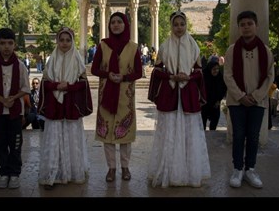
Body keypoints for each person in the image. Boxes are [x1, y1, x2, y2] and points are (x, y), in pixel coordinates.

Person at [147, 11, 210, 188]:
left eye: (182, 24)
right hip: (171, 94)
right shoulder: (164, 46)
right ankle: (170, 171)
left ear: (186, 25)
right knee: (170, 132)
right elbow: (157, 70)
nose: (179, 27)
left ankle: (189, 172)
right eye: (176, 24)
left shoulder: (194, 46)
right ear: (171, 26)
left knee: (188, 134)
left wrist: (188, 77)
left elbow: (199, 72)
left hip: (188, 94)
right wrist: (171, 76)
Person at [37, 27, 92, 190]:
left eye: (68, 40)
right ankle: (53, 173)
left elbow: (83, 84)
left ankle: (72, 173)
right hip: (55, 106)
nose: (65, 43)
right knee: (54, 138)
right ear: (57, 41)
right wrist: (56, 85)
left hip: (71, 104)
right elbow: (44, 83)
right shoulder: (51, 60)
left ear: (72, 41)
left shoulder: (77, 60)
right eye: (62, 40)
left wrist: (68, 86)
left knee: (71, 137)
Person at [224, 11, 274, 189]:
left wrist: (255, 96)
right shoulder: (231, 51)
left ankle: (250, 169)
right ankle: (237, 169)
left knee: (253, 137)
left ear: (256, 25)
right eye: (242, 24)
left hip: (257, 102)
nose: (246, 27)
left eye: (249, 23)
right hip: (236, 102)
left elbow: (269, 76)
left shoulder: (266, 51)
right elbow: (227, 76)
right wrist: (241, 96)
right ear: (238, 28)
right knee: (238, 136)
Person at [91, 12, 142, 182]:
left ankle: (125, 167)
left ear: (125, 24)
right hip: (106, 94)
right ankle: (111, 169)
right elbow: (94, 69)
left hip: (125, 97)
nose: (116, 25)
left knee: (124, 134)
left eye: (120, 21)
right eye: (113, 22)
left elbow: (139, 72)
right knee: (107, 133)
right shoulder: (103, 45)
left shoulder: (133, 47)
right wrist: (108, 74)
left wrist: (124, 77)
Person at [0, 28, 31, 189]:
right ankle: (4, 173)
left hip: (16, 111)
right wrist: (2, 100)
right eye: (2, 43)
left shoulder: (20, 66)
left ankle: (15, 173)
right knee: (1, 143)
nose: (6, 47)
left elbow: (26, 88)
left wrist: (13, 98)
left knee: (16, 143)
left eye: (10, 43)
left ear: (14, 45)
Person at [201, 61, 227, 130]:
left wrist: (219, 100)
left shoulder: (220, 77)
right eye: (214, 69)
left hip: (215, 104)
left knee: (214, 122)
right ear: (210, 69)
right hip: (204, 104)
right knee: (202, 124)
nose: (216, 71)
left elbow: (223, 89)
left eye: (217, 69)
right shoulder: (204, 76)